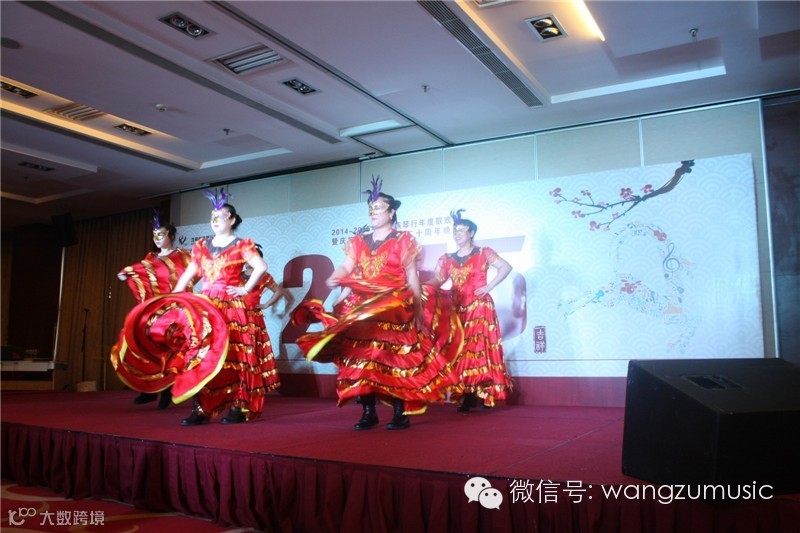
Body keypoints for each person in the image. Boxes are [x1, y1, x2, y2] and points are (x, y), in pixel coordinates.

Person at [292, 176, 462, 430]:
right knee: (361, 359)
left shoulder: (403, 240)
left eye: (378, 208)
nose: (373, 212)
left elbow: (412, 278)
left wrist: (417, 309)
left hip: (394, 308)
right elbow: (346, 267)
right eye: (371, 209)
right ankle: (368, 412)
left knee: (395, 359)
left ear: (391, 212)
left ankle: (399, 413)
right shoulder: (358, 241)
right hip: (363, 310)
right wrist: (336, 277)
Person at [171, 188, 281, 426]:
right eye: (212, 217)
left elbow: (261, 267)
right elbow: (189, 274)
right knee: (203, 354)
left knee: (236, 355)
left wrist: (245, 289)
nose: (215, 220)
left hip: (231, 307)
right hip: (207, 305)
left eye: (220, 216)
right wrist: (175, 295)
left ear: (231, 220)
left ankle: (238, 406)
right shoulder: (201, 246)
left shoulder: (242, 245)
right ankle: (201, 409)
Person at [427, 209, 514, 411]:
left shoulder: (483, 253)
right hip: (457, 308)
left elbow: (506, 267)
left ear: (471, 233)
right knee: (460, 350)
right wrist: (421, 288)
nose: (457, 234)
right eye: (454, 231)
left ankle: (484, 393)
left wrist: (489, 286)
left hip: (479, 307)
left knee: (479, 349)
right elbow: (438, 280)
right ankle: (467, 393)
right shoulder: (447, 258)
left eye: (461, 230)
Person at [112, 211, 191, 409]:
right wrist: (130, 272)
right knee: (147, 346)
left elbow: (190, 275)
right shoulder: (150, 257)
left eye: (161, 234)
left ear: (171, 236)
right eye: (154, 235)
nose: (157, 238)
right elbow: (143, 272)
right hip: (154, 309)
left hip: (174, 308)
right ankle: (149, 389)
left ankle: (167, 390)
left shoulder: (182, 255)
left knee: (170, 348)